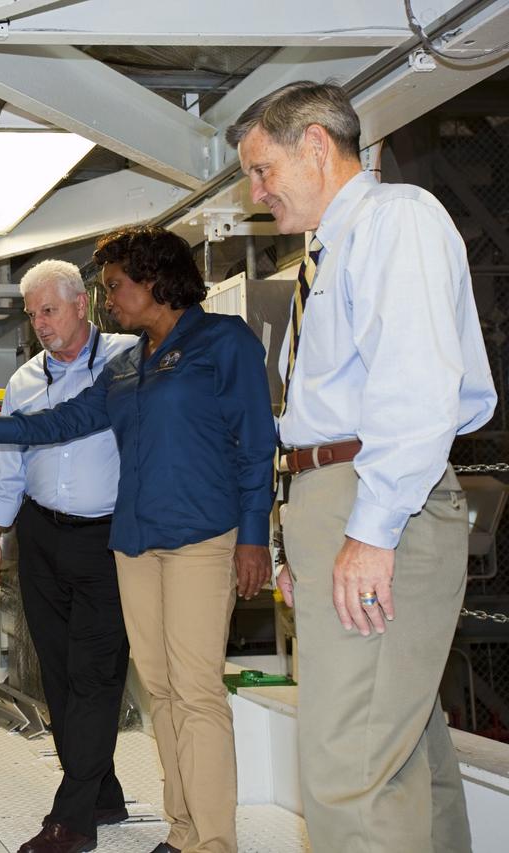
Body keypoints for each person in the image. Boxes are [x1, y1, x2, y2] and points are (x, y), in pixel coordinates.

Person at [0, 226, 275, 853]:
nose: (108, 299)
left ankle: (214, 842)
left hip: (199, 536)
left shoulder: (223, 342)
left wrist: (254, 536)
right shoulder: (128, 365)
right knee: (159, 690)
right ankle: (183, 829)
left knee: (195, 691)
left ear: (153, 279)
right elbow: (70, 419)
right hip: (134, 543)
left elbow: (255, 445)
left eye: (113, 287)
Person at [226, 81, 496, 852]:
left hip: (378, 499)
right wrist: (295, 538)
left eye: (262, 168)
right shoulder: (332, 250)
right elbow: (317, 415)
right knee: (407, 749)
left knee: (349, 765)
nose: (257, 190)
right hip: (338, 496)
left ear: (316, 145)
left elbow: (414, 387)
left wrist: (370, 531)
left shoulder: (394, 222)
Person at [0, 260, 139, 853]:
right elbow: (12, 464)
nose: (40, 324)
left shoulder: (127, 358)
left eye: (49, 311)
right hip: (42, 538)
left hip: (108, 539)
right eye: (32, 314)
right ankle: (103, 791)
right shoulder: (24, 380)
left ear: (81, 305)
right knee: (57, 673)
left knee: (96, 672)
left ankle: (72, 821)